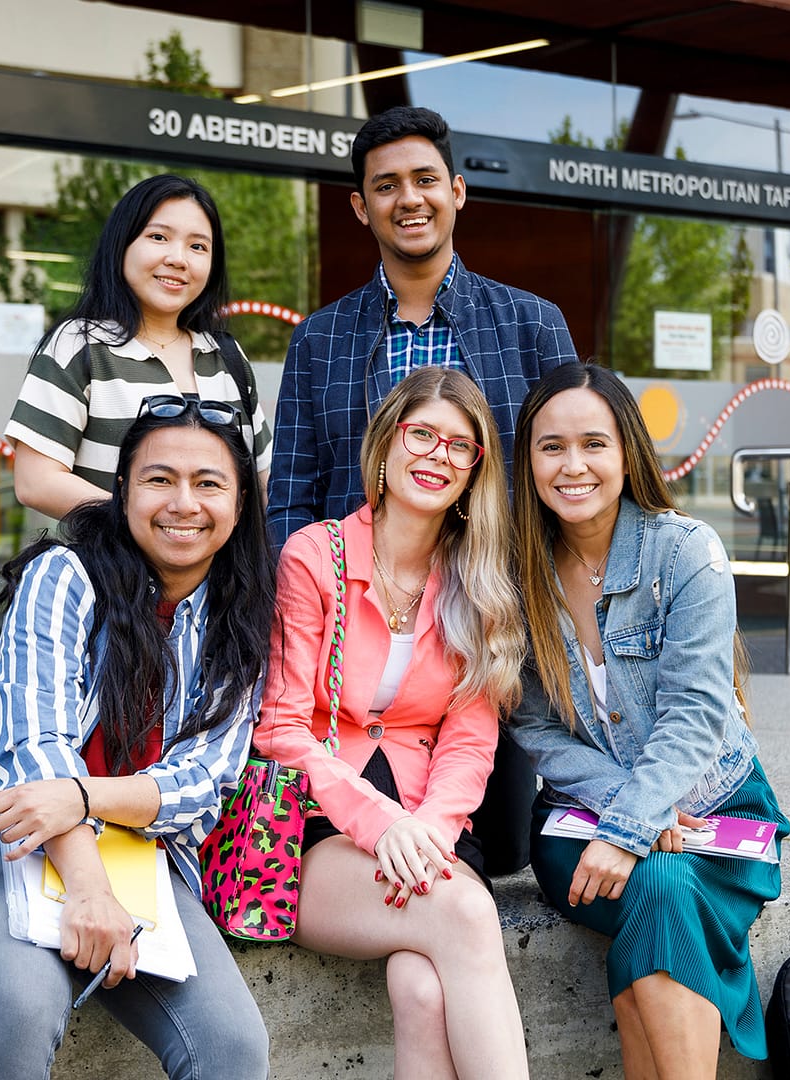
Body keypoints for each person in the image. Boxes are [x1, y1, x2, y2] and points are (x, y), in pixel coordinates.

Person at [0, 396, 275, 1080]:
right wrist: (87, 888)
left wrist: (83, 798)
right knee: (21, 1005)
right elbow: (36, 748)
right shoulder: (64, 575)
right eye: (159, 479)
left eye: (209, 483)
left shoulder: (243, 614)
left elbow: (205, 781)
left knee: (231, 1046)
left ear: (240, 504)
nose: (183, 503)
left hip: (138, 848)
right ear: (122, 491)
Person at [508, 362, 790, 1079]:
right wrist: (626, 815)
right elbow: (535, 728)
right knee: (661, 885)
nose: (573, 465)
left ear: (628, 452)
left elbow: (696, 713)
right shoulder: (515, 572)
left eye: (593, 444)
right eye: (551, 446)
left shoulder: (686, 550)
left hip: (717, 814)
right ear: (528, 461)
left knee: (662, 886)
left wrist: (632, 828)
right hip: (581, 820)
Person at [256, 367, 531, 1079]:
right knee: (466, 916)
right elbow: (282, 728)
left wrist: (431, 831)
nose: (439, 455)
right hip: (315, 830)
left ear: (475, 471)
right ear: (385, 445)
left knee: (421, 987)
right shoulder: (314, 557)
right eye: (422, 435)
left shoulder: (479, 582)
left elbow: (470, 740)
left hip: (433, 828)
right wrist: (383, 826)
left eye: (460, 446)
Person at [266, 104, 577, 550]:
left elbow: (567, 478)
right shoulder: (318, 338)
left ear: (457, 192)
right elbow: (291, 501)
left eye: (425, 180)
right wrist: (304, 588)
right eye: (387, 186)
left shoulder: (533, 324)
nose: (410, 199)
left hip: (501, 586)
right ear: (361, 207)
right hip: (353, 588)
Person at [5, 173, 272, 520]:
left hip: (225, 559)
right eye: (158, 237)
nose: (178, 259)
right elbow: (36, 482)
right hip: (111, 557)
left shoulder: (226, 355)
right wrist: (150, 522)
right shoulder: (80, 345)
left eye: (198, 246)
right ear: (122, 245)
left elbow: (265, 483)